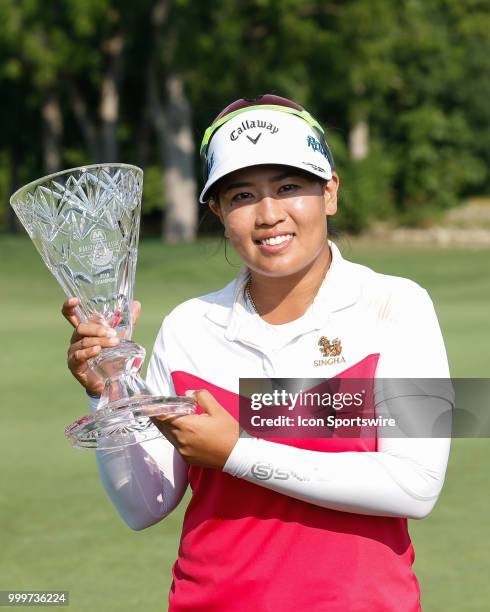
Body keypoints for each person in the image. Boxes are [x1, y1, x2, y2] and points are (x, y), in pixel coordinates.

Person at [62, 95, 453, 611]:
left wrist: (236, 451)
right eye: (243, 194)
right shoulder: (187, 327)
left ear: (330, 191)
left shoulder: (399, 305)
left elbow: (417, 486)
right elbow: (144, 505)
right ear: (218, 212)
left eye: (289, 187)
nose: (269, 214)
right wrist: (107, 394)